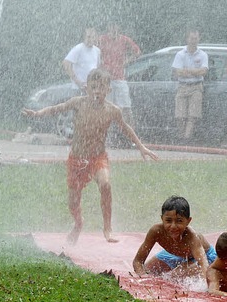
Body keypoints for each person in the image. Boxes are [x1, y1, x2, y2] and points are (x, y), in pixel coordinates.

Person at [22, 69, 159, 244]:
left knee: (106, 184)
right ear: (87, 88)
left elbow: (125, 127)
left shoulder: (112, 110)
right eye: (93, 87)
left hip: (97, 158)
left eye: (101, 88)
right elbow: (57, 108)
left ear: (108, 90)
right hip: (76, 159)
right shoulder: (78, 103)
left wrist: (141, 147)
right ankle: (78, 223)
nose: (97, 91)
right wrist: (38, 113)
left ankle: (107, 228)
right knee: (73, 201)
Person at [133, 195, 216, 278]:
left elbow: (203, 265)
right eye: (168, 220)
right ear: (162, 219)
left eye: (179, 221)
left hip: (205, 257)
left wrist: (209, 283)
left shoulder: (192, 236)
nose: (173, 226)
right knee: (148, 270)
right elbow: (138, 261)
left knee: (171, 277)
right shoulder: (156, 231)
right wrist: (142, 276)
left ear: (188, 221)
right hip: (174, 255)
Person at [98, 22, 141, 135]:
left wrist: (126, 61)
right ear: (108, 28)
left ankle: (131, 134)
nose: (113, 32)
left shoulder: (124, 39)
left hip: (119, 78)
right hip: (106, 79)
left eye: (116, 29)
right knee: (106, 107)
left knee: (126, 107)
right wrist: (101, 64)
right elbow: (94, 52)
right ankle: (107, 133)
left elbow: (137, 52)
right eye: (111, 29)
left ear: (118, 29)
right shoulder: (102, 39)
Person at [172, 29, 208, 144]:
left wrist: (187, 71)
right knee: (180, 115)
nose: (194, 41)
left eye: (196, 38)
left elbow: (203, 71)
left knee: (193, 115)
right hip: (182, 86)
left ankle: (187, 139)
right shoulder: (180, 54)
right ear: (187, 39)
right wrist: (195, 71)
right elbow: (177, 72)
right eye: (191, 38)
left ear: (199, 39)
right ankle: (181, 136)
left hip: (196, 86)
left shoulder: (203, 54)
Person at [63, 28, 100, 93]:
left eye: (93, 37)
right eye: (88, 37)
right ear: (84, 37)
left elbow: (97, 67)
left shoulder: (97, 51)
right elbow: (66, 63)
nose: (91, 39)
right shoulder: (78, 48)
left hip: (92, 88)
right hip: (78, 89)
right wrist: (78, 82)